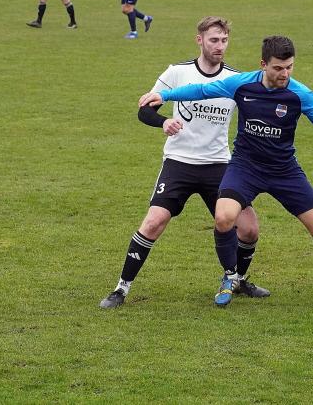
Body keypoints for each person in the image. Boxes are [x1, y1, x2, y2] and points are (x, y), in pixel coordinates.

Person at [139, 36, 313, 307]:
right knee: (224, 218)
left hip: (284, 170)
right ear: (263, 64)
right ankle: (230, 277)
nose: (285, 74)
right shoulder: (242, 84)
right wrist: (165, 95)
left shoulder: (299, 94)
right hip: (245, 167)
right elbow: (202, 90)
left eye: (289, 67)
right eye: (278, 68)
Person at [99, 17, 269, 309]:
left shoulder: (235, 80)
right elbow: (145, 111)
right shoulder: (177, 73)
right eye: (213, 40)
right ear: (199, 40)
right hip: (179, 163)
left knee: (249, 228)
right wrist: (163, 121)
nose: (219, 46)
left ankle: (238, 280)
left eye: (224, 40)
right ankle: (121, 288)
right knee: (153, 222)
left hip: (219, 166)